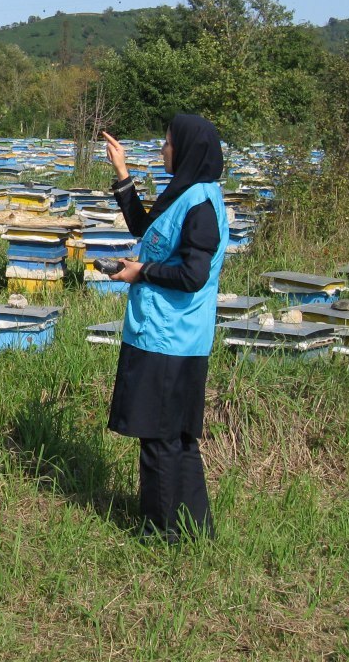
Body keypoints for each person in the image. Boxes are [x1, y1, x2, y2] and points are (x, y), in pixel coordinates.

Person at [101, 115, 228, 543]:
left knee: (160, 437)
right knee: (175, 437)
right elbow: (146, 229)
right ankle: (194, 530)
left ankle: (162, 534)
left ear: (188, 149)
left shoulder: (201, 207)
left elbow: (194, 275)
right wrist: (122, 173)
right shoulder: (187, 193)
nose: (163, 149)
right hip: (164, 332)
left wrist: (141, 273)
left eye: (168, 143)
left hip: (171, 337)